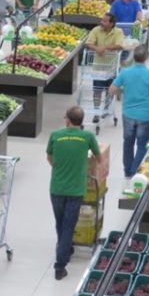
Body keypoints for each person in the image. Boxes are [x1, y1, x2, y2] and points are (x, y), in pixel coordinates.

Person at [46, 107, 101, 280]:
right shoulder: (87, 137)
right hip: (76, 189)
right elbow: (98, 159)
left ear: (68, 120)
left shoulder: (55, 135)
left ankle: (65, 247)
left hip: (57, 188)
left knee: (60, 222)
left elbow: (50, 159)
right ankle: (60, 265)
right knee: (69, 225)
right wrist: (84, 162)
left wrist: (62, 166)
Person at [110, 46, 149, 178]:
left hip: (128, 114)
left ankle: (127, 170)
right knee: (142, 145)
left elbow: (112, 90)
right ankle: (134, 170)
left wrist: (124, 91)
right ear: (146, 58)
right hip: (145, 115)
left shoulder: (125, 73)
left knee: (128, 143)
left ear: (133, 57)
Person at [85, 13, 124, 123]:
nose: (102, 22)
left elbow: (120, 45)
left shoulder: (118, 32)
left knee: (110, 91)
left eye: (105, 21)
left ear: (111, 24)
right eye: (102, 20)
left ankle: (107, 109)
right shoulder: (96, 30)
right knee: (97, 90)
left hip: (112, 67)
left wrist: (105, 48)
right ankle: (96, 112)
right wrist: (96, 48)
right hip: (98, 67)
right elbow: (89, 43)